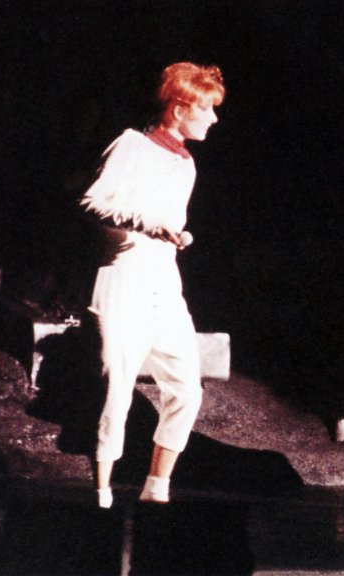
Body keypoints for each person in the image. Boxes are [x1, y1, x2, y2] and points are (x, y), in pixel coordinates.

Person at [80, 62, 225, 508]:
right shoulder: (131, 144)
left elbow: (169, 222)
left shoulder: (186, 164)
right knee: (116, 389)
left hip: (163, 282)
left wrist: (176, 235)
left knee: (187, 389)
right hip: (123, 277)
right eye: (206, 108)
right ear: (179, 108)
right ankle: (101, 496)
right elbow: (92, 201)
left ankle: (156, 490)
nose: (214, 118)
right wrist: (148, 224)